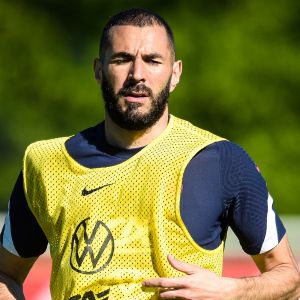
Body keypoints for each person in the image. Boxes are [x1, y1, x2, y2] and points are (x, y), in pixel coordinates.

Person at [0, 8, 299, 300]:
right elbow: (6, 275)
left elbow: (289, 279)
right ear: (98, 70)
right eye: (122, 59)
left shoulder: (223, 160)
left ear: (175, 73)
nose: (137, 74)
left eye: (153, 60)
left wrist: (231, 291)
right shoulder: (44, 163)